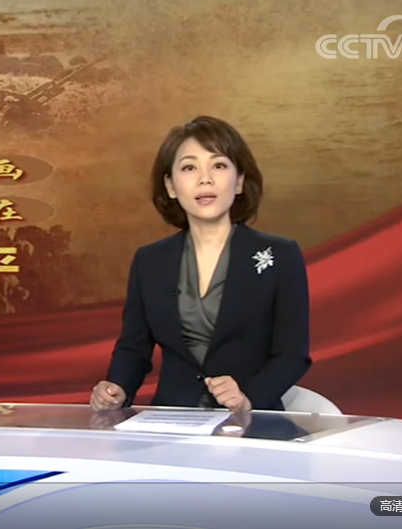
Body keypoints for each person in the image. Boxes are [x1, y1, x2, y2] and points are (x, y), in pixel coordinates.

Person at [90, 115, 312, 413]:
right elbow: (134, 348)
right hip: (173, 420)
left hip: (252, 423)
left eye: (218, 166)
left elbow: (292, 355)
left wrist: (248, 397)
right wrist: (117, 387)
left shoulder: (281, 254)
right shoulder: (149, 261)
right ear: (170, 186)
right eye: (189, 168)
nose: (205, 179)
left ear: (239, 181)